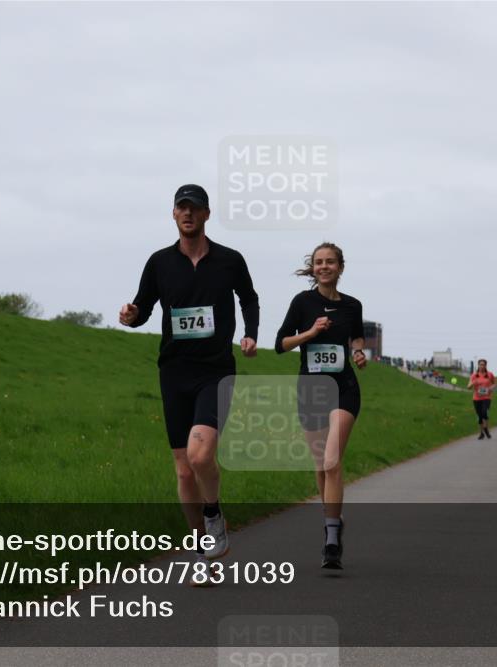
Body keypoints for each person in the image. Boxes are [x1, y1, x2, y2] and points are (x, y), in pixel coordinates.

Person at [119, 184, 259, 578]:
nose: (188, 214)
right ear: (174, 214)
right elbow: (143, 308)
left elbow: (249, 297)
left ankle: (213, 514)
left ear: (207, 215)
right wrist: (131, 316)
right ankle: (202, 552)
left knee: (200, 455)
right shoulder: (159, 262)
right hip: (174, 371)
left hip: (215, 371)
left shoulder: (230, 260)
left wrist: (251, 332)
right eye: (182, 207)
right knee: (183, 470)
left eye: (195, 208)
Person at [275, 242, 366, 569]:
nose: (324, 266)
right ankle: (333, 519)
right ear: (313, 268)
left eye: (330, 262)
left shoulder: (353, 305)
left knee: (331, 461)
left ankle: (330, 538)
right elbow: (281, 344)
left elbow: (356, 337)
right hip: (311, 389)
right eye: (319, 262)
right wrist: (311, 332)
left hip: (343, 387)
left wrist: (358, 352)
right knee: (319, 464)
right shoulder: (302, 302)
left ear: (341, 267)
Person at [468, 359, 496, 439]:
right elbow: (468, 387)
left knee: (484, 412)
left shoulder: (490, 374)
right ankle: (481, 433)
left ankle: (486, 428)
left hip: (486, 397)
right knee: (479, 416)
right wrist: (473, 383)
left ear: (486, 366)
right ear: (478, 365)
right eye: (480, 364)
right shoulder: (474, 375)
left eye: (483, 364)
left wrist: (491, 388)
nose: (482, 366)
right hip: (476, 398)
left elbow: (494, 384)